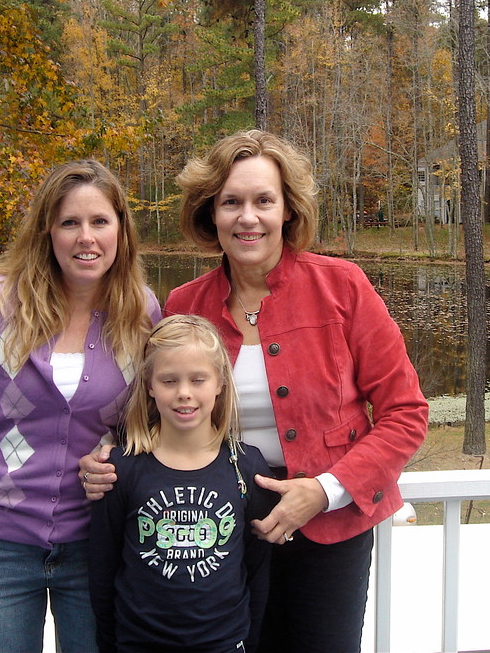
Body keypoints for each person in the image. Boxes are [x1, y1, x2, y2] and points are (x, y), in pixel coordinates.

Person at [82, 130, 429, 653]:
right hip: (218, 528)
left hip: (329, 528)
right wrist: (110, 454)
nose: (248, 218)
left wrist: (325, 490)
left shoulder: (343, 288)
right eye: (231, 202)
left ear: (288, 209)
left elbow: (406, 413)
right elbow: (156, 405)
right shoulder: (186, 303)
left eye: (264, 200)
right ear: (211, 213)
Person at [0, 159, 161, 653]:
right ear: (48, 231)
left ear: (121, 231)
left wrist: (118, 461)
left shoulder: (140, 313)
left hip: (96, 547)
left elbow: (153, 425)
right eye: (70, 222)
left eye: (100, 222)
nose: (86, 237)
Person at [88, 314, 275, 653]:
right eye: (169, 381)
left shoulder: (247, 467)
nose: (184, 393)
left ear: (220, 382)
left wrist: (251, 639)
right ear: (149, 385)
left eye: (198, 379)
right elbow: (104, 567)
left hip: (224, 643)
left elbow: (257, 567)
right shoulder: (122, 469)